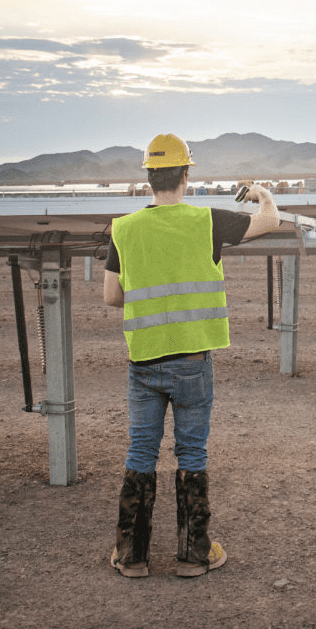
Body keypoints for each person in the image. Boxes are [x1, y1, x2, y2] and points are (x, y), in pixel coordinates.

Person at [104, 133, 278, 578]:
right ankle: (193, 556)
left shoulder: (123, 229)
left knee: (141, 450)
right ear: (186, 174)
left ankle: (132, 557)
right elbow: (270, 221)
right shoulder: (207, 221)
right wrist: (262, 194)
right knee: (192, 452)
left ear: (148, 178)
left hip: (143, 361)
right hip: (193, 362)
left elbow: (111, 297)